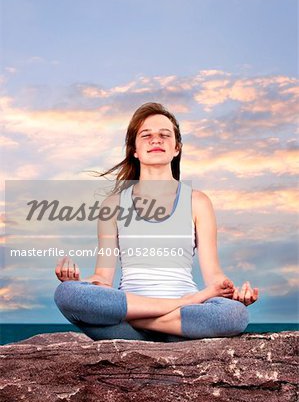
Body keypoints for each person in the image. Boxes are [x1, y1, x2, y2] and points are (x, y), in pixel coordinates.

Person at [54, 102, 259, 342]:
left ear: (176, 148)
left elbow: (214, 277)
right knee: (67, 294)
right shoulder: (113, 204)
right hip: (134, 324)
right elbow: (102, 278)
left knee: (235, 315)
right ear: (135, 150)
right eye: (146, 135)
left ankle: (159, 314)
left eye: (164, 135)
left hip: (183, 320)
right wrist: (78, 283)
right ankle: (168, 309)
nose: (156, 140)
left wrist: (233, 293)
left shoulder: (197, 202)